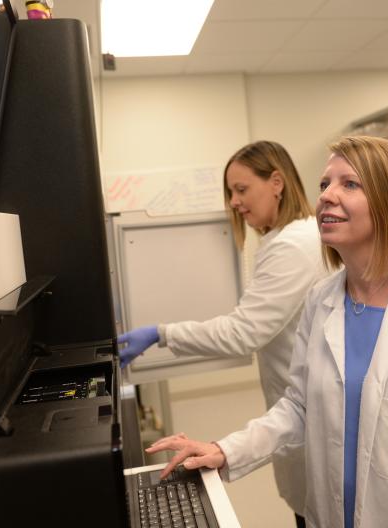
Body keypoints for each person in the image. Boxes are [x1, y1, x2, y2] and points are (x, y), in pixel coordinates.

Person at [145, 136, 388, 528]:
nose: (326, 196)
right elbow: (298, 407)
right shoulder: (322, 299)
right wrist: (226, 449)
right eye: (325, 185)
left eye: (349, 184)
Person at [118, 140, 325, 526]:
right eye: (230, 192)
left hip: (308, 417)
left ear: (277, 182)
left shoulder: (295, 246)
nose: (233, 201)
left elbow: (243, 333)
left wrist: (161, 333)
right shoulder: (286, 241)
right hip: (297, 410)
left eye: (241, 189)